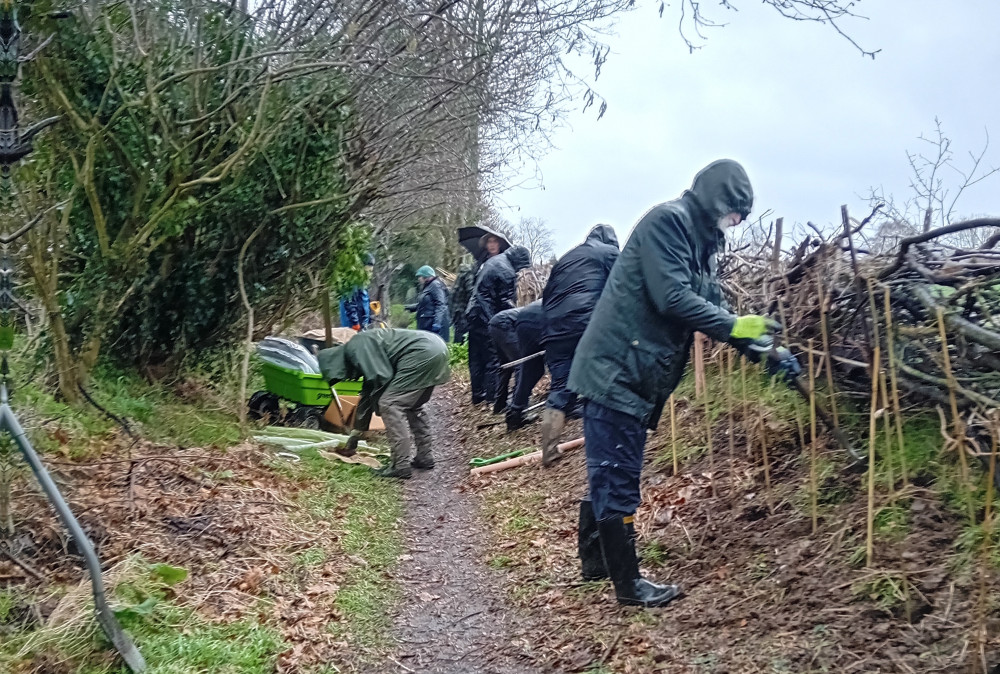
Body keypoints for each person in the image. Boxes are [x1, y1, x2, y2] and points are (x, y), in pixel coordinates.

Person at [567, 159, 800, 608]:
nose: (736, 222)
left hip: (635, 371)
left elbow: (712, 309)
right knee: (618, 477)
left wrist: (766, 350)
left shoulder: (701, 242)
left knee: (609, 470)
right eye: (735, 211)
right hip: (618, 368)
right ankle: (628, 586)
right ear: (716, 198)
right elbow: (672, 297)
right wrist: (738, 326)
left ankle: (597, 562)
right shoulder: (667, 222)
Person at [318, 329, 450, 479]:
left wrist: (382, 408)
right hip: (437, 347)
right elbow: (367, 395)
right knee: (413, 406)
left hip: (420, 353)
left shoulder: (356, 346)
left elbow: (382, 378)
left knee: (390, 404)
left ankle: (400, 465)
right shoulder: (360, 352)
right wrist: (356, 435)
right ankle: (424, 457)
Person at [539, 224, 620, 466]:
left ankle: (549, 450)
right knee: (600, 379)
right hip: (586, 324)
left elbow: (547, 295)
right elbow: (625, 285)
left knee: (561, 386)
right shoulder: (608, 253)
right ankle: (606, 444)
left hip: (553, 328)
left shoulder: (566, 259)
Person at [464, 245, 532, 407]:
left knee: (476, 358)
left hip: (473, 313)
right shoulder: (506, 271)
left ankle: (477, 395)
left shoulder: (494, 261)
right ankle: (492, 397)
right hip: (486, 316)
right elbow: (505, 302)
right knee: (493, 358)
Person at [488, 301, 545, 431]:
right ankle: (517, 410)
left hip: (496, 321)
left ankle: (499, 404)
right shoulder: (551, 307)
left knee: (506, 366)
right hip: (505, 323)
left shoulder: (541, 305)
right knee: (522, 364)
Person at [408, 265, 450, 342]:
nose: (418, 279)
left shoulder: (435, 285)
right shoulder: (428, 286)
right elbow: (422, 305)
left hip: (433, 325)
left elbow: (440, 305)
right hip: (427, 324)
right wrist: (406, 308)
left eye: (419, 276)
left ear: (425, 276)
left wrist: (437, 323)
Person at [339, 253, 375, 331]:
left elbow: (363, 303)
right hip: (353, 327)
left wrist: (368, 321)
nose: (370, 274)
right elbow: (349, 304)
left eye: (371, 271)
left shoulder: (362, 284)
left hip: (363, 326)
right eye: (369, 271)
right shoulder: (352, 283)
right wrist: (355, 323)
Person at [450, 262, 475, 344]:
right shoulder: (469, 273)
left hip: (457, 311)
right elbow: (471, 293)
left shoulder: (462, 273)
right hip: (463, 313)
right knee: (462, 340)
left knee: (458, 338)